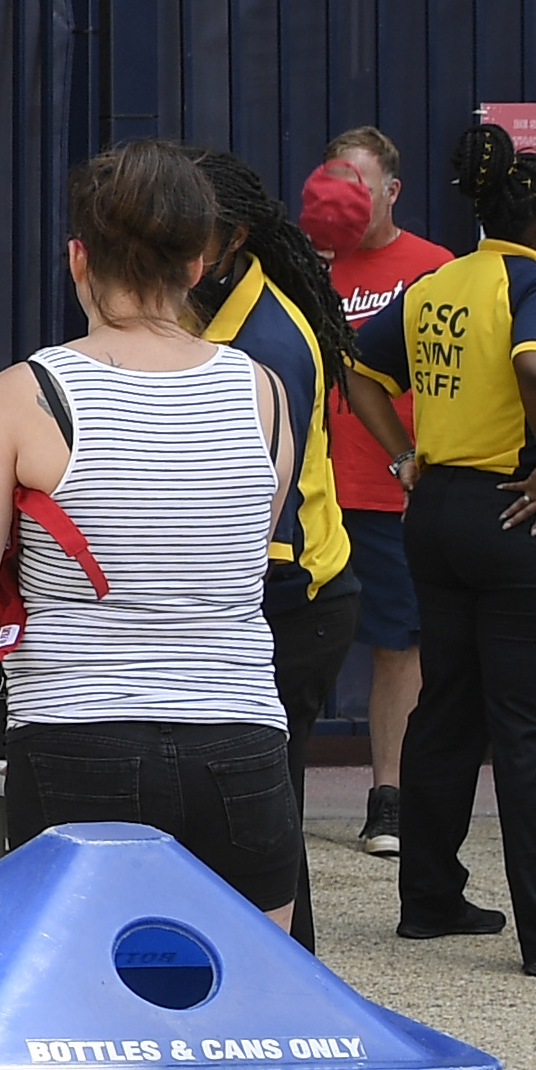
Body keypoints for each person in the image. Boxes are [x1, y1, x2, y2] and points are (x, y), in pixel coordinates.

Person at [0, 142, 303, 926]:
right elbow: (244, 552)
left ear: (77, 258)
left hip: (74, 732)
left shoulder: (20, 396)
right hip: (239, 739)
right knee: (247, 989)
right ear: (198, 264)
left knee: (79, 996)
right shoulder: (262, 393)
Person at [360, 127, 536, 981]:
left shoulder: (436, 283)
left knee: (446, 709)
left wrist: (402, 456)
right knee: (528, 736)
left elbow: (361, 370)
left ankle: (429, 896)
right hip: (528, 519)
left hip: (442, 512)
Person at [191, 152, 365, 950]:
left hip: (290, 597)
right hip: (278, 590)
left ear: (233, 237)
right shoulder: (218, 310)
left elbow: (267, 511)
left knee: (261, 825)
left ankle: (290, 993)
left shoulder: (263, 343)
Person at [307, 129, 453, 855]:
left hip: (388, 489)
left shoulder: (432, 268)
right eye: (336, 185)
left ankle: (388, 797)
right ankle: (272, 794)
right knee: (287, 641)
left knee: (398, 646)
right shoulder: (298, 267)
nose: (348, 202)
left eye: (360, 188)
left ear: (391, 191)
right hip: (306, 489)